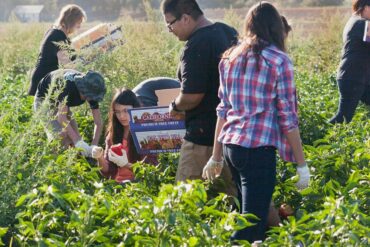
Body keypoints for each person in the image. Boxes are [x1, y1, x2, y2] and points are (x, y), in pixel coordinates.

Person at [202, 2, 310, 243]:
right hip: (258, 151)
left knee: (247, 217)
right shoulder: (279, 61)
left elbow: (223, 110)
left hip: (233, 148)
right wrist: (301, 165)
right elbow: (288, 118)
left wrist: (217, 156)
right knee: (252, 223)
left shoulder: (230, 58)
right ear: (275, 27)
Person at [160, 0, 238, 195]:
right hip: (232, 133)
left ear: (185, 18)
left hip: (202, 138)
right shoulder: (227, 32)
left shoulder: (196, 45)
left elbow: (192, 96)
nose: (170, 29)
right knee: (231, 197)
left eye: (170, 23)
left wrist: (175, 107)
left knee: (183, 197)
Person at [34, 69, 106, 156]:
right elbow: (61, 118)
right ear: (82, 88)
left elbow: (98, 122)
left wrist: (94, 146)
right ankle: (54, 163)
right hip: (44, 100)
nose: (90, 99)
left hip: (61, 102)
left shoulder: (92, 92)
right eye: (88, 96)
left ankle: (75, 162)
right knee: (61, 135)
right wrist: (77, 142)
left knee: (75, 136)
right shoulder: (68, 87)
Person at [91, 88, 156, 183]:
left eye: (126, 111)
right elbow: (108, 171)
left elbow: (151, 170)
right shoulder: (112, 135)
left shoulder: (146, 133)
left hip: (140, 185)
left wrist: (126, 164)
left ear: (135, 108)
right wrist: (99, 157)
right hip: (117, 185)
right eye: (117, 112)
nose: (121, 116)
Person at [28, 4, 86, 96]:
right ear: (71, 21)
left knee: (62, 110)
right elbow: (67, 64)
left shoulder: (55, 32)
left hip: (46, 79)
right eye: (78, 23)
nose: (79, 27)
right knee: (58, 110)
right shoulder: (58, 36)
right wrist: (84, 74)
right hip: (44, 81)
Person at [330, 0, 370, 123]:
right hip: (353, 76)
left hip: (357, 76)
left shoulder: (355, 21)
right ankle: (318, 138)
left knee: (344, 116)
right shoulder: (361, 23)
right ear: (366, 7)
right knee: (343, 117)